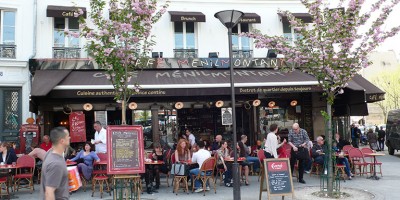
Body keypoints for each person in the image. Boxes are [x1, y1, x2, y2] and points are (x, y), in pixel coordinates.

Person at [41, 127, 70, 200]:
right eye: (68, 136)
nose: (70, 138)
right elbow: (49, 193)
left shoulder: (50, 153)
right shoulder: (56, 164)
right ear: (62, 141)